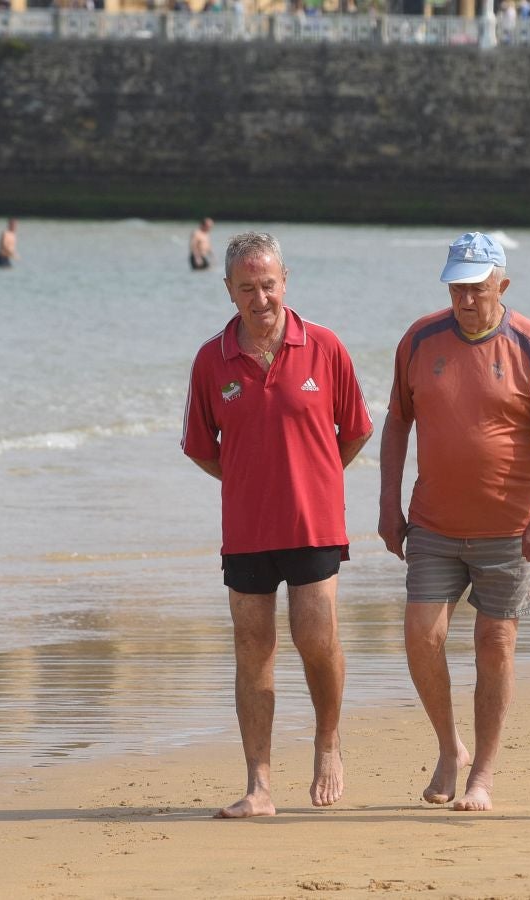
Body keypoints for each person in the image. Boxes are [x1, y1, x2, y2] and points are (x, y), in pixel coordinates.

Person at [378, 232, 530, 812]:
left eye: (477, 288)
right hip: (434, 523)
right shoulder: (419, 339)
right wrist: (387, 504)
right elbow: (397, 423)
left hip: (510, 528)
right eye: (457, 287)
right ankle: (450, 746)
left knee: (495, 644)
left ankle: (482, 774)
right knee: (423, 635)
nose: (466, 298)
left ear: (502, 286)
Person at [181, 231, 374, 818]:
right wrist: (248, 481)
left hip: (314, 523)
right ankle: (259, 786)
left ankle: (327, 743)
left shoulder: (325, 346)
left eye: (268, 285)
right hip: (246, 530)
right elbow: (199, 447)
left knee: (316, 639)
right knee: (252, 649)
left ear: (284, 281)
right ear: (229, 291)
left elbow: (356, 429)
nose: (260, 298)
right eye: (247, 288)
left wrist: (311, 476)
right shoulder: (211, 360)